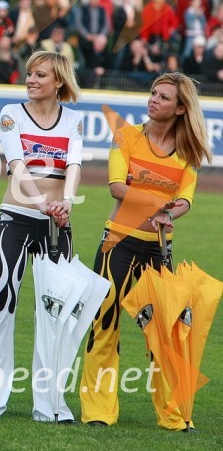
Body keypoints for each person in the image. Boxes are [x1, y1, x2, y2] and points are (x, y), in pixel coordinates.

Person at [80, 73, 213, 430]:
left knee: (165, 335)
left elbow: (185, 200)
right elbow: (116, 187)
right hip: (117, 243)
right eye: (153, 92)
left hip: (157, 250)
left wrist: (169, 212)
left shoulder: (188, 153)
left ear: (181, 108)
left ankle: (172, 416)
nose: (153, 99)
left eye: (164, 97)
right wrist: (159, 203)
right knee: (104, 325)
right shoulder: (126, 136)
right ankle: (98, 411)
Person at [0, 51, 83, 423]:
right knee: (2, 305)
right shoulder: (11, 115)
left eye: (40, 74)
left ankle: (50, 405)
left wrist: (64, 203)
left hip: (56, 226)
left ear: (59, 81)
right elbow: (16, 165)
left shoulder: (75, 120)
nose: (31, 80)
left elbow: (74, 164)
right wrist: (41, 202)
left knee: (55, 315)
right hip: (15, 220)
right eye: (29, 73)